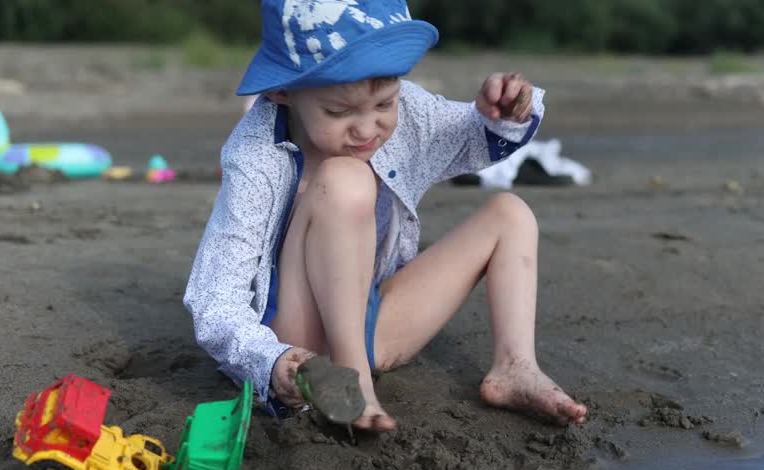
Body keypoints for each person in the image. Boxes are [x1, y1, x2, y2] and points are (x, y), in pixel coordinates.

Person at [185, 0, 588, 432]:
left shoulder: (407, 112)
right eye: (338, 112)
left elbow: (472, 137)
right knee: (346, 180)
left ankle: (515, 367)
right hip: (298, 348)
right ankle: (353, 381)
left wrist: (503, 109)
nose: (366, 128)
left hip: (367, 322)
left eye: (384, 104)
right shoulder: (256, 155)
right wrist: (272, 361)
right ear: (283, 91)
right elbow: (214, 300)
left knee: (511, 214)